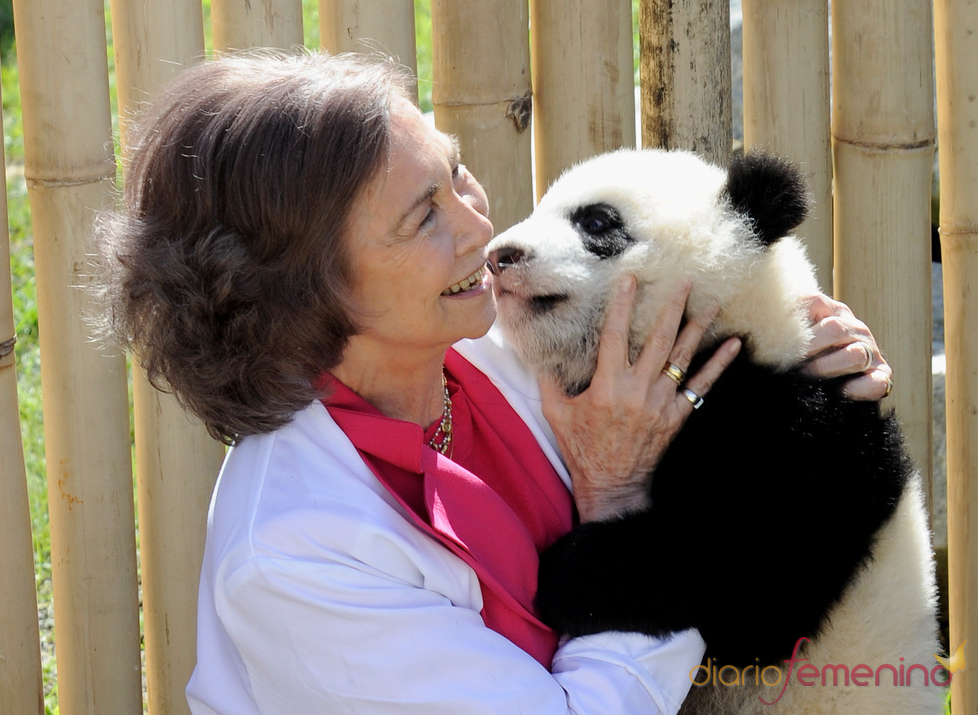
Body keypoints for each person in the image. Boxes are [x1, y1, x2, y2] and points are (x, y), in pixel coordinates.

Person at [95, 51, 894, 714]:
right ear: (309, 295)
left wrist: (806, 357)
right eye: (423, 217)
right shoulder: (295, 559)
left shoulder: (485, 339)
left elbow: (732, 423)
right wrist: (620, 497)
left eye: (457, 172)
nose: (483, 228)